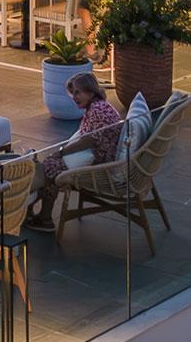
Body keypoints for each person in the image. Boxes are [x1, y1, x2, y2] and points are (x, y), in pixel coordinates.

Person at [25, 71, 123, 230]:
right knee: (49, 165)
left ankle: (42, 216)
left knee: (49, 167)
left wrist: (62, 152)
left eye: (78, 92)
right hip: (99, 156)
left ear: (90, 91)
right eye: (73, 93)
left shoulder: (97, 110)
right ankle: (33, 210)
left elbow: (88, 140)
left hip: (99, 164)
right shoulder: (99, 106)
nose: (74, 97)